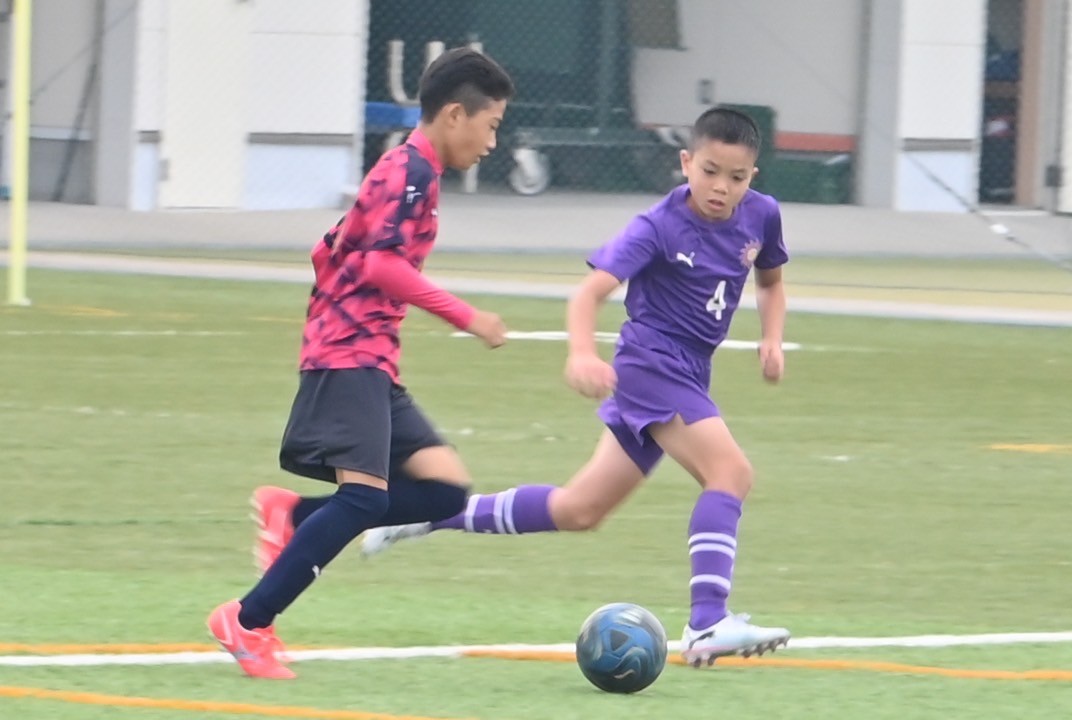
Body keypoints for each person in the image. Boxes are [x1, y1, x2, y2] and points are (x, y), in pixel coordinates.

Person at [362, 107, 792, 667]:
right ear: (686, 162)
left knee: (579, 510)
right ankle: (707, 622)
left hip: (689, 371)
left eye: (735, 178)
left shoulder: (762, 214)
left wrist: (772, 338)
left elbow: (771, 281)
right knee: (731, 473)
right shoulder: (658, 226)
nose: (721, 187)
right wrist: (583, 353)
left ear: (752, 177)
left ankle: (422, 513)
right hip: (651, 366)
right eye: (710, 171)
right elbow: (588, 294)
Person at [206, 47, 515, 680]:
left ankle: (293, 514)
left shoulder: (409, 169)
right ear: (455, 115)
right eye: (491, 126)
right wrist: (467, 316)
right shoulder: (411, 173)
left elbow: (329, 250)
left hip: (369, 354)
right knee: (364, 500)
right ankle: (248, 620)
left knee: (443, 489)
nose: (492, 142)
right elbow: (379, 265)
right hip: (350, 354)